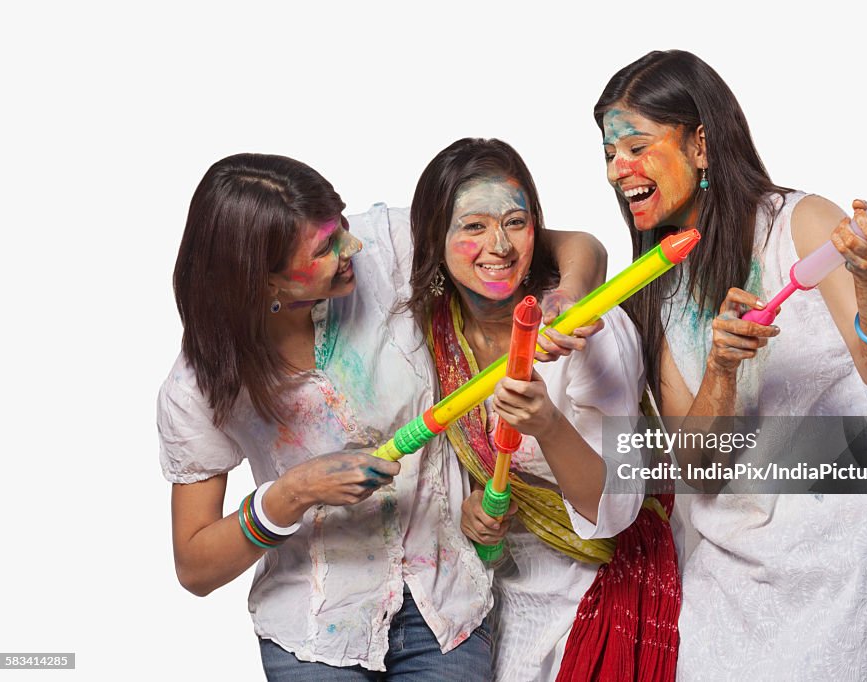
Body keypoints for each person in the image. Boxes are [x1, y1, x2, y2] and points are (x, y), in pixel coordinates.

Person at [156, 153, 606, 680]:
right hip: (317, 632)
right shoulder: (199, 385)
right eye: (326, 248)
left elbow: (578, 246)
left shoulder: (391, 246)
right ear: (262, 281)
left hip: (448, 608)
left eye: (340, 225)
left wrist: (567, 297)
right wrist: (292, 495)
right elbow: (195, 566)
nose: (354, 247)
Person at [594, 51, 867, 681]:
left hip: (849, 566)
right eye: (609, 153)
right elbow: (695, 466)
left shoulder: (802, 225)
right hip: (730, 585)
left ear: (700, 144)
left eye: (635, 146)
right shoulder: (657, 284)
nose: (619, 169)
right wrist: (721, 369)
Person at [402, 138, 681, 682]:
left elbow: (617, 508)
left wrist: (547, 424)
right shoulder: (432, 330)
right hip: (487, 598)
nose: (500, 246)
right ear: (434, 238)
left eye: (515, 222)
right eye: (473, 227)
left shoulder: (591, 332)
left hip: (598, 582)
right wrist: (472, 512)